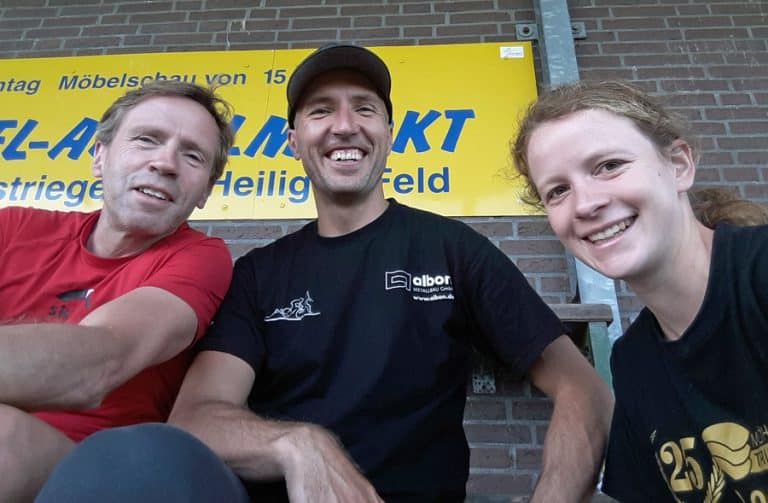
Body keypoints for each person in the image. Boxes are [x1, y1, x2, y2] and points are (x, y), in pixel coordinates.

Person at [37, 44, 612, 503]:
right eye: (320, 111)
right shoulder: (257, 275)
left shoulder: (453, 250)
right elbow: (195, 419)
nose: (344, 125)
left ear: (389, 133)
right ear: (293, 141)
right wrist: (299, 445)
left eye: (365, 108)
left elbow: (581, 387)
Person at [511, 79, 768, 502]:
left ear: (679, 165)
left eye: (609, 165)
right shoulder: (633, 361)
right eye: (558, 191)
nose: (585, 204)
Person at [0, 79, 235, 500]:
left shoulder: (202, 257)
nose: (165, 163)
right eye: (147, 140)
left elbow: (97, 364)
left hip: (92, 470)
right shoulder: (12, 228)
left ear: (205, 193)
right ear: (99, 157)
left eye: (193, 156)